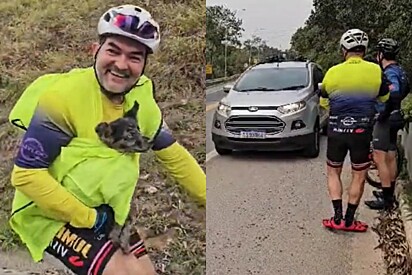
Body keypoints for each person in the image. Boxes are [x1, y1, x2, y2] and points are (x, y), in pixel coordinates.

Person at [7, 4, 206, 275]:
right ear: (95, 50)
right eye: (113, 50)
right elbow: (26, 177)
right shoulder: (63, 99)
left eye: (135, 57)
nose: (122, 65)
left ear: (145, 65)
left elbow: (174, 156)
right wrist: (90, 219)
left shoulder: (141, 100)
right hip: (48, 212)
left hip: (106, 211)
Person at [319, 29, 391, 232]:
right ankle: (350, 220)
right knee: (359, 175)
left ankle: (337, 217)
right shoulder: (376, 71)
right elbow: (384, 99)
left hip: (336, 129)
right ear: (364, 50)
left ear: (344, 50)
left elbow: (324, 102)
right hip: (362, 130)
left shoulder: (333, 72)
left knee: (334, 171)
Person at [365, 38, 410, 210]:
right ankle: (388, 192)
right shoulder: (400, 69)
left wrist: (383, 110)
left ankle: (386, 200)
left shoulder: (389, 72)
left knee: (379, 158)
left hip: (386, 119)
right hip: (396, 116)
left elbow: (395, 90)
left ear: (381, 54)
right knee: (391, 155)